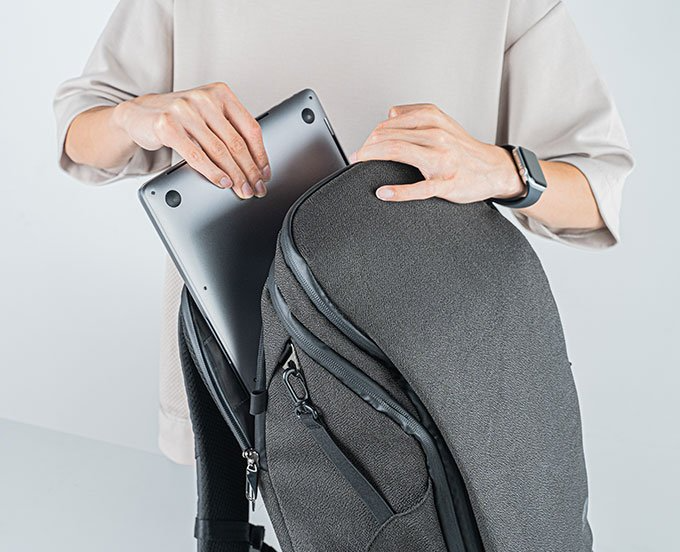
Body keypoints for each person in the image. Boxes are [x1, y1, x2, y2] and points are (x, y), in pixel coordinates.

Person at [53, 0, 633, 476]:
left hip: (425, 369)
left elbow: (597, 189)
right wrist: (136, 116)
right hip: (238, 355)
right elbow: (80, 132)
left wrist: (502, 168)